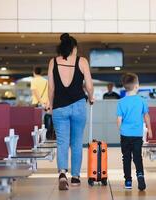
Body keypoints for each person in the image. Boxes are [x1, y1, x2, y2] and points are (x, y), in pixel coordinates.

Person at [47, 33, 94, 191]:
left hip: (59, 107)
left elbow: (51, 88)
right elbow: (89, 85)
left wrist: (51, 105)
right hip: (78, 106)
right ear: (74, 48)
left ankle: (62, 173)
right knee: (76, 142)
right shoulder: (82, 61)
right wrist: (92, 97)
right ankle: (75, 176)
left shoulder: (53, 62)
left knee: (62, 142)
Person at [116, 73, 152, 191]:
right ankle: (140, 175)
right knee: (137, 157)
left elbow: (119, 119)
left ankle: (128, 181)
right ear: (136, 86)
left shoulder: (121, 102)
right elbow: (146, 116)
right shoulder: (141, 100)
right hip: (137, 135)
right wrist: (150, 129)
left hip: (125, 135)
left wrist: (121, 130)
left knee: (126, 158)